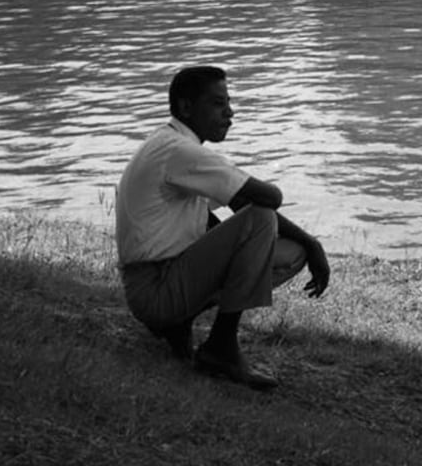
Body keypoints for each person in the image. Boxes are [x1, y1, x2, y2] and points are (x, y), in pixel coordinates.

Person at [115, 65, 330, 390]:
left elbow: (232, 208)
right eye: (218, 104)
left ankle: (180, 324)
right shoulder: (180, 151)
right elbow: (268, 198)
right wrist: (234, 178)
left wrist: (311, 243)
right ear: (187, 107)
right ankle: (221, 348)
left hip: (154, 286)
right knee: (262, 220)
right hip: (155, 290)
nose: (230, 113)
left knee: (290, 247)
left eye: (229, 103)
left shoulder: (168, 142)